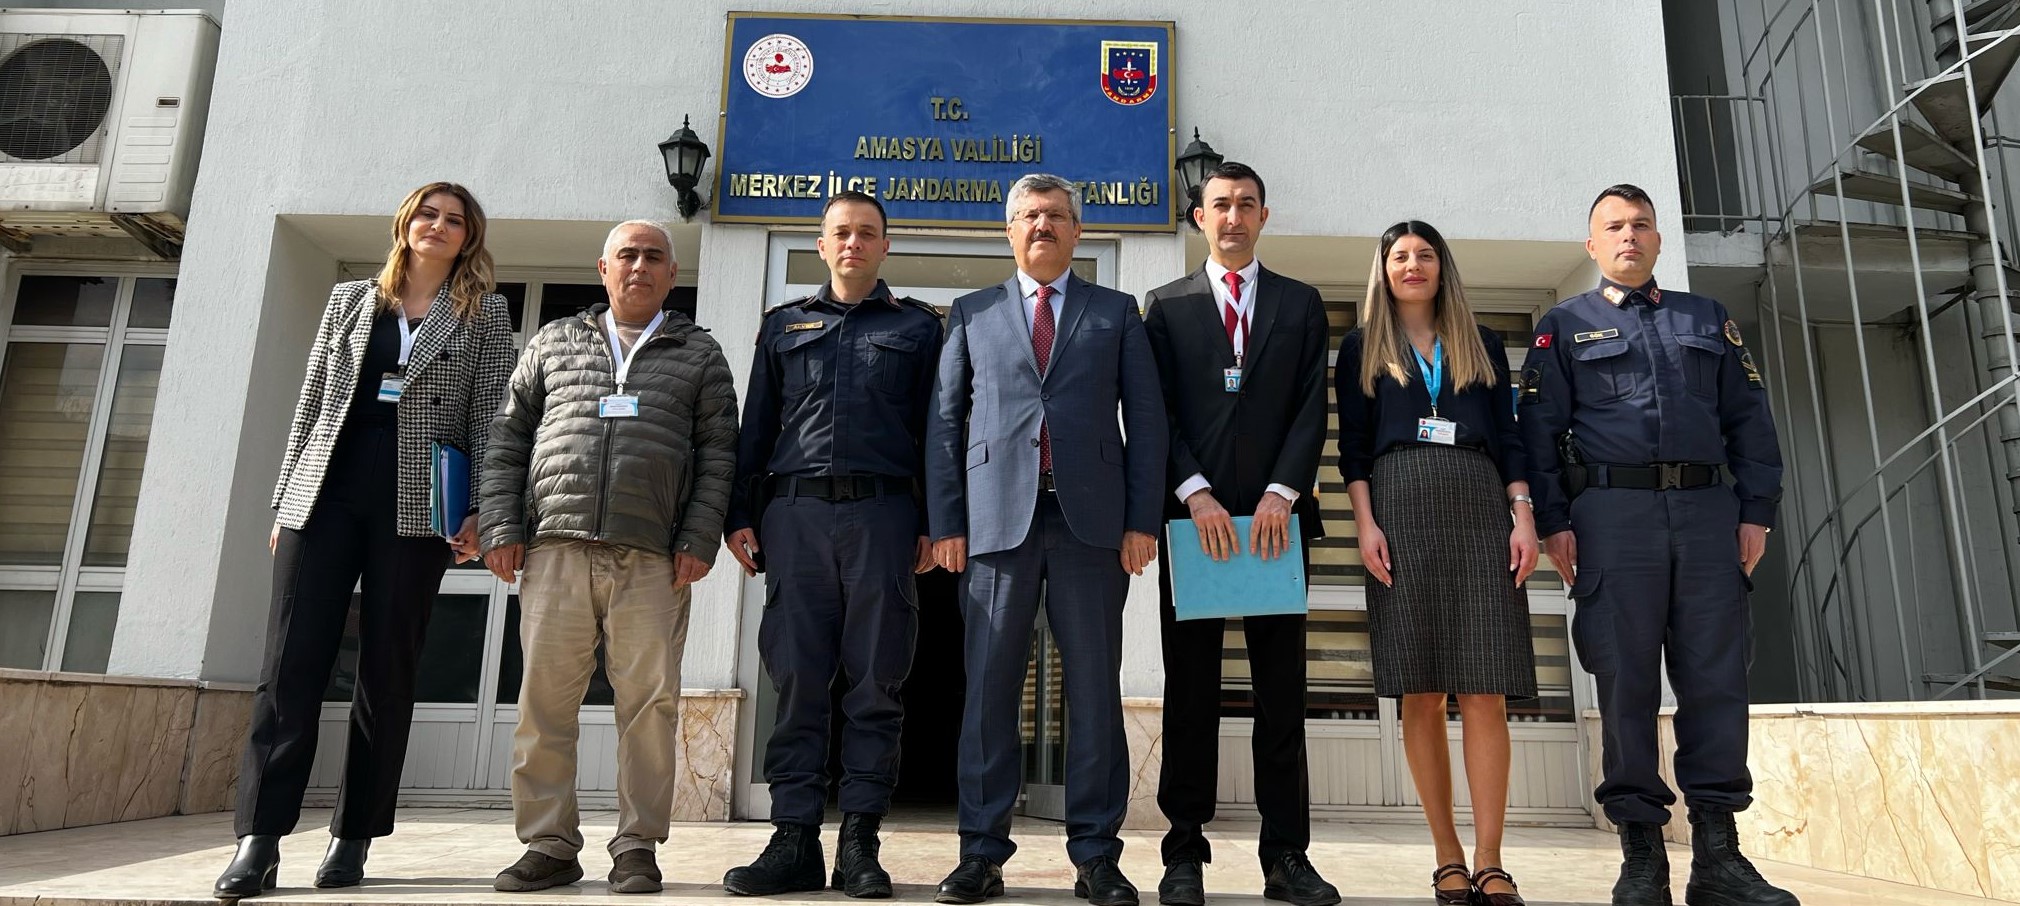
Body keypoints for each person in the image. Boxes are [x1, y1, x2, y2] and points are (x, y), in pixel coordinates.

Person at [215, 182, 516, 900]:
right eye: (428, 214)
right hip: (327, 491)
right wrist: (286, 500)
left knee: (388, 667)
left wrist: (479, 510)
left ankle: (353, 836)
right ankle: (259, 839)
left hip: (416, 504)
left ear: (468, 237)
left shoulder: (485, 313)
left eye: (454, 220)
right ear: (405, 223)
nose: (438, 226)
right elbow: (313, 398)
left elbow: (490, 420)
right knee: (289, 663)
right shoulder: (351, 300)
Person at [1521, 184, 1791, 906]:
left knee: (1717, 683)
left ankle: (1719, 858)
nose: (1629, 237)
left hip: (1709, 512)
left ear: (1659, 240)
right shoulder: (1564, 324)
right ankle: (1642, 856)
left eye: (1641, 225)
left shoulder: (1706, 318)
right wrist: (1554, 522)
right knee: (1625, 686)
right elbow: (1538, 436)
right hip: (1614, 516)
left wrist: (1756, 510)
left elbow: (1750, 422)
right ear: (1593, 244)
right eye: (1614, 226)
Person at [925, 173, 1167, 906]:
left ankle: (1096, 855)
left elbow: (1148, 425)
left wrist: (1140, 521)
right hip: (996, 529)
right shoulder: (970, 314)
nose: (1043, 226)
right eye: (1030, 216)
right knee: (989, 692)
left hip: (1092, 530)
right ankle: (981, 853)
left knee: (1093, 693)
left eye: (1056, 216)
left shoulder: (1116, 313)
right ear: (1009, 231)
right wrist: (948, 526)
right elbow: (943, 425)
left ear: (1077, 231)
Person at [478, 219, 739, 895]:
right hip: (555, 549)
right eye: (628, 255)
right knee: (545, 704)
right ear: (604, 267)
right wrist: (502, 524)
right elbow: (508, 438)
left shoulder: (699, 353)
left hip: (652, 555)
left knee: (648, 708)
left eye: (654, 257)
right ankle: (549, 843)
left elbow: (718, 457)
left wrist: (697, 539)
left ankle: (636, 847)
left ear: (671, 276)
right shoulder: (555, 341)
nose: (640, 266)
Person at [720, 191, 943, 899]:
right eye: (841, 233)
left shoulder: (917, 329)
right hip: (794, 518)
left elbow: (938, 433)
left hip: (883, 517)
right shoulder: (783, 326)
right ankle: (792, 840)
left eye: (866, 234)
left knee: (877, 683)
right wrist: (736, 512)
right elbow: (757, 426)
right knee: (797, 683)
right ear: (822, 245)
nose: (853, 243)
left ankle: (860, 843)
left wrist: (936, 520)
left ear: (884, 247)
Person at [1141, 162, 1338, 906]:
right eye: (1219, 205)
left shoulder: (1300, 303)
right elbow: (1156, 412)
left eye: (1246, 205)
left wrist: (1283, 494)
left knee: (1281, 695)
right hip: (1195, 528)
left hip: (1276, 529)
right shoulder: (1163, 306)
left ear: (1264, 216)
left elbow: (1309, 409)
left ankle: (1286, 855)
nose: (1233, 217)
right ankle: (1183, 852)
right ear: (1200, 218)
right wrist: (1194, 495)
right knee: (1190, 692)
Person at [1335, 220, 1538, 906]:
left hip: (1479, 505)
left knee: (1485, 687)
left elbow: (1510, 438)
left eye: (1425, 255)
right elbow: (1354, 450)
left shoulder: (1481, 343)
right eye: (1400, 256)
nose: (1413, 265)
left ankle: (1490, 857)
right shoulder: (1362, 347)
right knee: (1419, 689)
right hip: (1399, 509)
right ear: (1383, 271)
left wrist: (1523, 516)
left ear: (1442, 266)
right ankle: (1447, 855)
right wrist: (1365, 526)